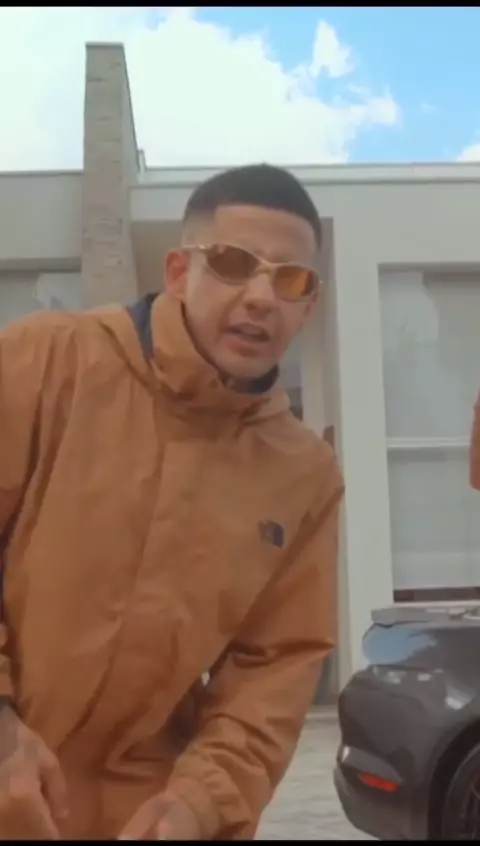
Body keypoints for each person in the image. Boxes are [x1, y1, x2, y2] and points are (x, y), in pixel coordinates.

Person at [0, 163, 344, 840]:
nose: (261, 297)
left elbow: (276, 666)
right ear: (182, 272)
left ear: (308, 308)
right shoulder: (44, 362)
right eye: (235, 263)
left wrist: (199, 802)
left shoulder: (304, 474)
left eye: (290, 280)